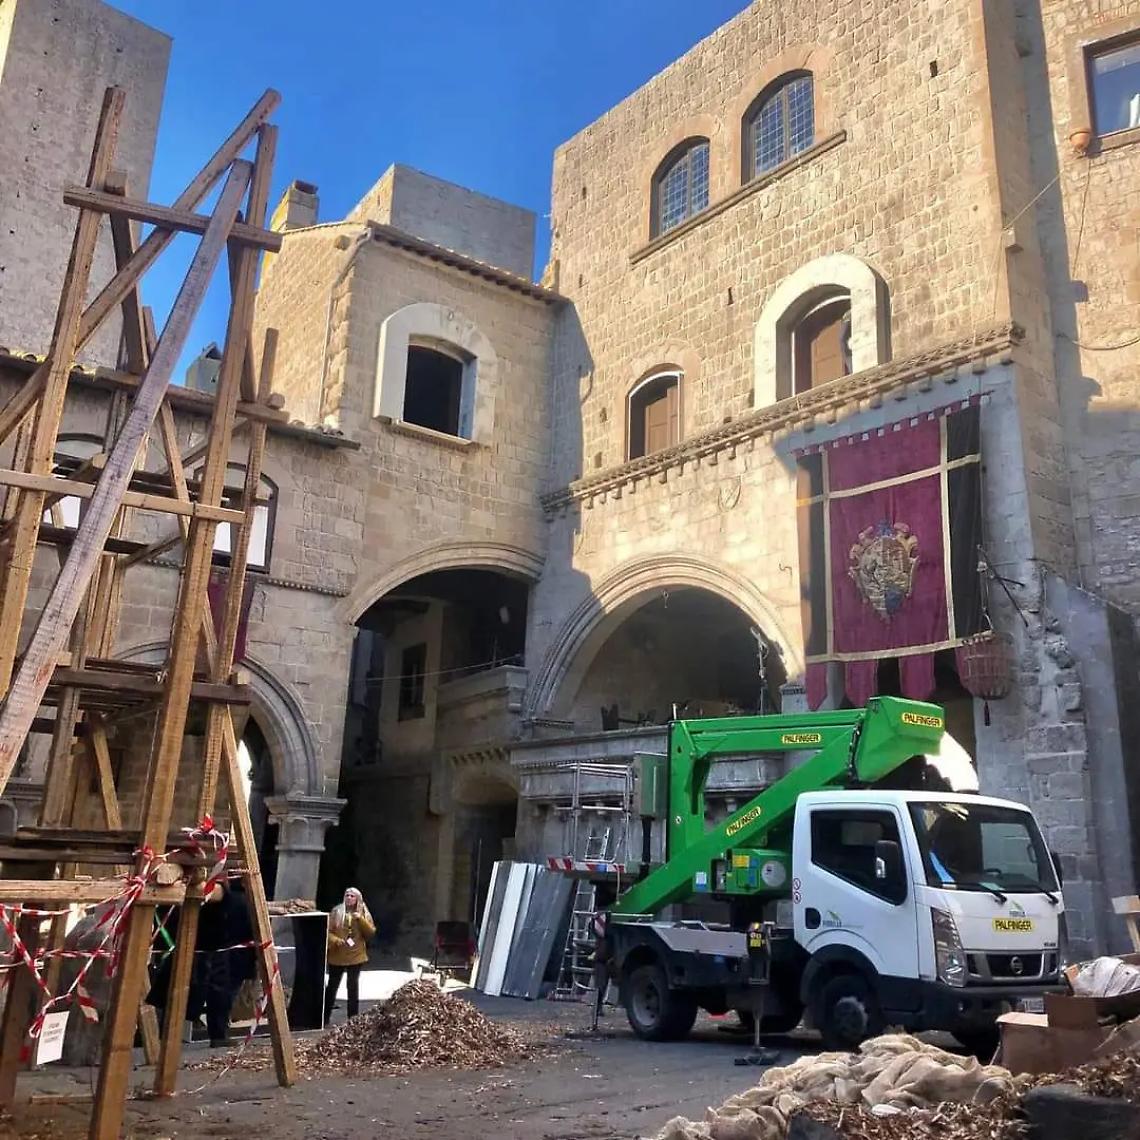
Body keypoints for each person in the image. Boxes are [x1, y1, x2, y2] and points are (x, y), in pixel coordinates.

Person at [324, 887, 375, 1026]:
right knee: (332, 986)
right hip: (338, 953)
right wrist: (335, 940)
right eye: (347, 895)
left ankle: (353, 1019)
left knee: (352, 986)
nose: (349, 898)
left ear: (357, 898)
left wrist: (361, 920)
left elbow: (370, 933)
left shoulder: (363, 911)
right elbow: (327, 931)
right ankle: (324, 1017)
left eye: (352, 896)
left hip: (356, 954)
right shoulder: (337, 911)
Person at [590, 909, 612, 1032]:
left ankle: (597, 1008)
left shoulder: (599, 925)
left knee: (601, 985)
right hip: (601, 959)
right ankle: (597, 1008)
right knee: (601, 985)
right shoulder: (604, 929)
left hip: (602, 958)